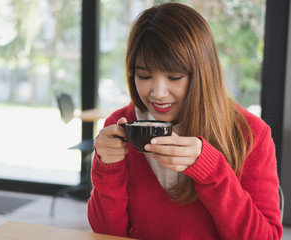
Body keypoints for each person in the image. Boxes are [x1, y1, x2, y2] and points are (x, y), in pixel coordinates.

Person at [87, 2, 282, 240]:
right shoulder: (121, 124)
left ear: (202, 72)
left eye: (175, 76)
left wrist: (210, 169)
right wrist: (106, 166)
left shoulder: (250, 133)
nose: (157, 93)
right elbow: (106, 234)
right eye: (144, 76)